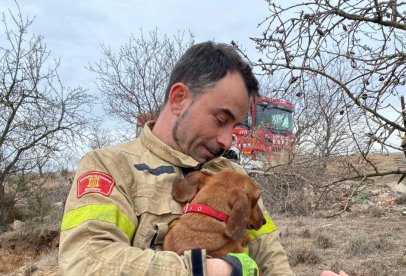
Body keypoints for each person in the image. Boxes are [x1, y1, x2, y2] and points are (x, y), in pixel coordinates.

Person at [59, 41, 342, 275]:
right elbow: (85, 262)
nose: (227, 140)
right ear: (179, 98)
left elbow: (271, 263)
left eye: (235, 127)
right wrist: (206, 269)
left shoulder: (234, 176)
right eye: (221, 119)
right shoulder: (111, 166)